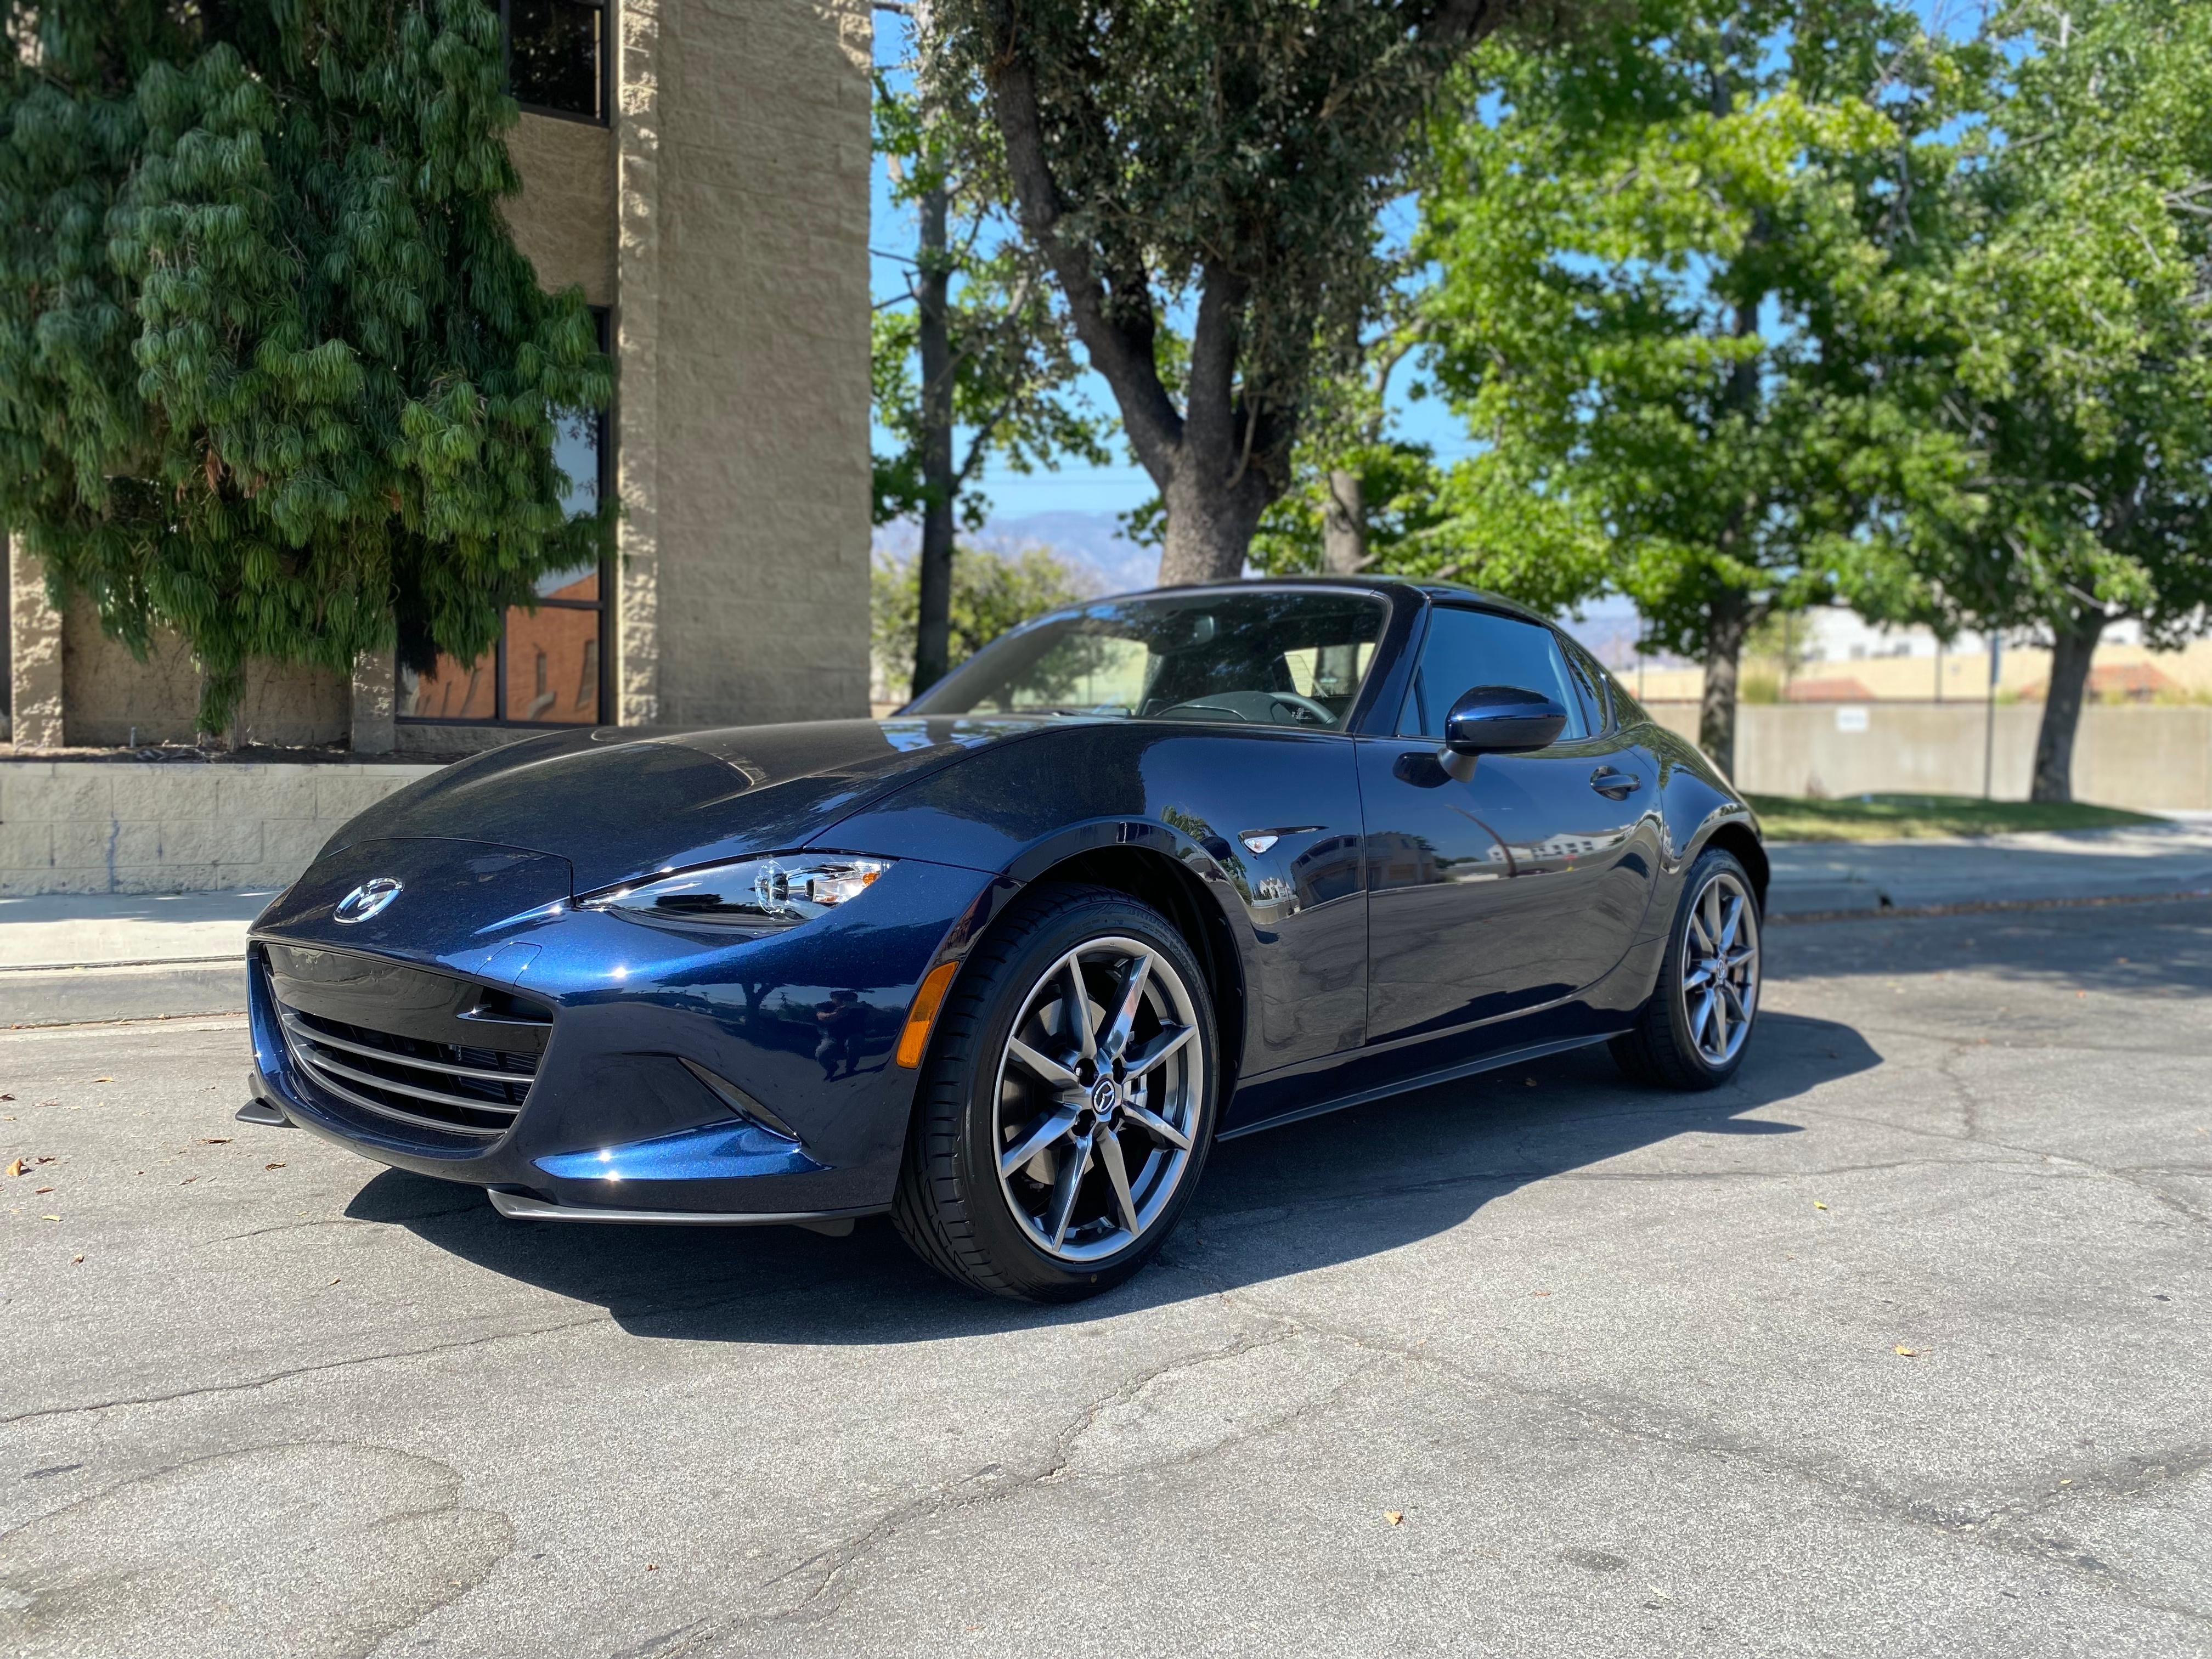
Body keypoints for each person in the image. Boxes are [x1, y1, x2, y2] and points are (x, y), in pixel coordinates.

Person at [814, 989, 867, 1080]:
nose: (844, 1000)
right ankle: (831, 1068)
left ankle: (851, 1068)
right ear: (833, 998)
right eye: (840, 997)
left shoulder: (859, 1008)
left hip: (853, 1035)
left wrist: (867, 1009)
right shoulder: (826, 1006)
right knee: (821, 1053)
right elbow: (821, 1017)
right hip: (832, 1037)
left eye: (848, 998)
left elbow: (879, 1016)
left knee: (855, 1041)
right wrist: (835, 1014)